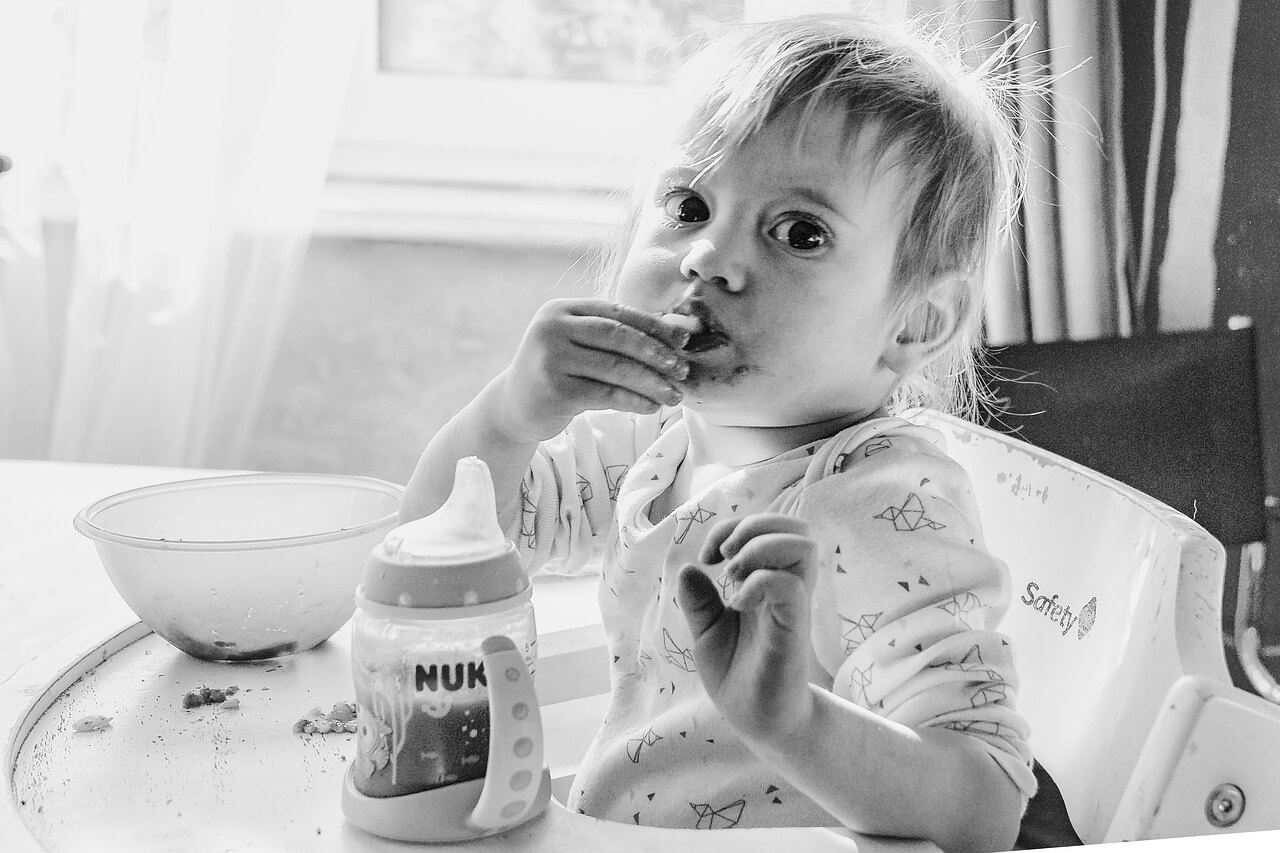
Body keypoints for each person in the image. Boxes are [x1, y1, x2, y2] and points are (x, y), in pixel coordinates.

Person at [402, 13, 1038, 852]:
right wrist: (510, 416)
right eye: (689, 205)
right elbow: (433, 551)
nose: (707, 255)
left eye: (799, 232)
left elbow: (985, 807)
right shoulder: (657, 443)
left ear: (916, 320)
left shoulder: (876, 502)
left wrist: (794, 722)